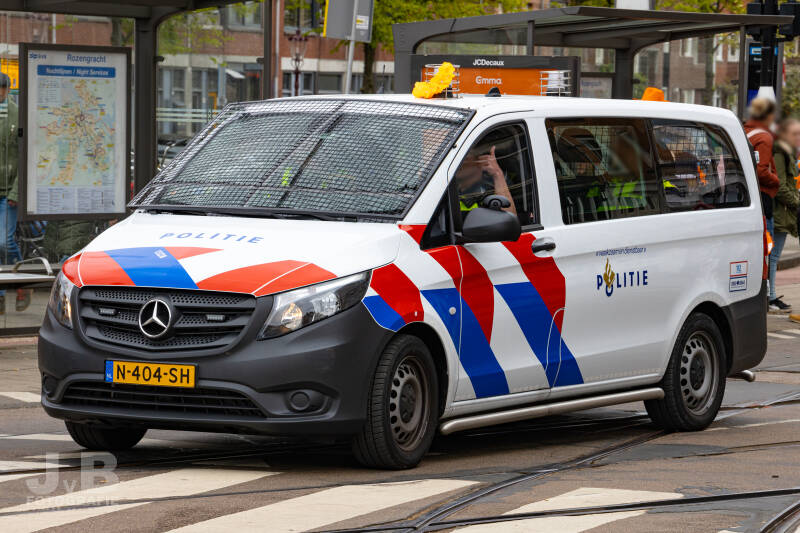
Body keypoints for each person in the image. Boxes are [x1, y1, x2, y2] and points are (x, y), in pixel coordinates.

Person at [0, 72, 28, 314]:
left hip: (8, 192)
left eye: (1, 89)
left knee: (4, 241)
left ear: (7, 90)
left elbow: (23, 154)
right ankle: (1, 294)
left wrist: (16, 190)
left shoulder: (16, 114)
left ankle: (22, 281)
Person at [768, 118, 800, 313]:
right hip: (781, 211)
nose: (798, 137)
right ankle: (770, 297)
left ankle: (770, 296)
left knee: (773, 256)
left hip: (784, 211)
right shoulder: (780, 152)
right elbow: (780, 185)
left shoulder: (787, 152)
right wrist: (797, 202)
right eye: (795, 133)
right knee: (773, 256)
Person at [743, 98, 780, 238]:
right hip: (762, 197)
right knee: (766, 250)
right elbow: (760, 171)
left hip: (744, 193)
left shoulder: (744, 131)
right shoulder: (764, 137)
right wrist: (776, 180)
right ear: (769, 115)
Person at [454, 145, 516, 216]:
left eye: (464, 159)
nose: (458, 165)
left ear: (480, 162)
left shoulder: (492, 188)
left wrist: (497, 174)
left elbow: (508, 219)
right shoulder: (451, 191)